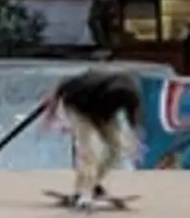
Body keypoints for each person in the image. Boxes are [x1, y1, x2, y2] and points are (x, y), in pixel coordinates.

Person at [45, 67, 143, 208]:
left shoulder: (131, 95)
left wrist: (135, 140)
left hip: (104, 114)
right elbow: (61, 86)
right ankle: (83, 192)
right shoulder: (87, 85)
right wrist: (51, 114)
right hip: (79, 110)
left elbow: (133, 120)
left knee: (118, 148)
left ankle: (94, 184)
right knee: (90, 151)